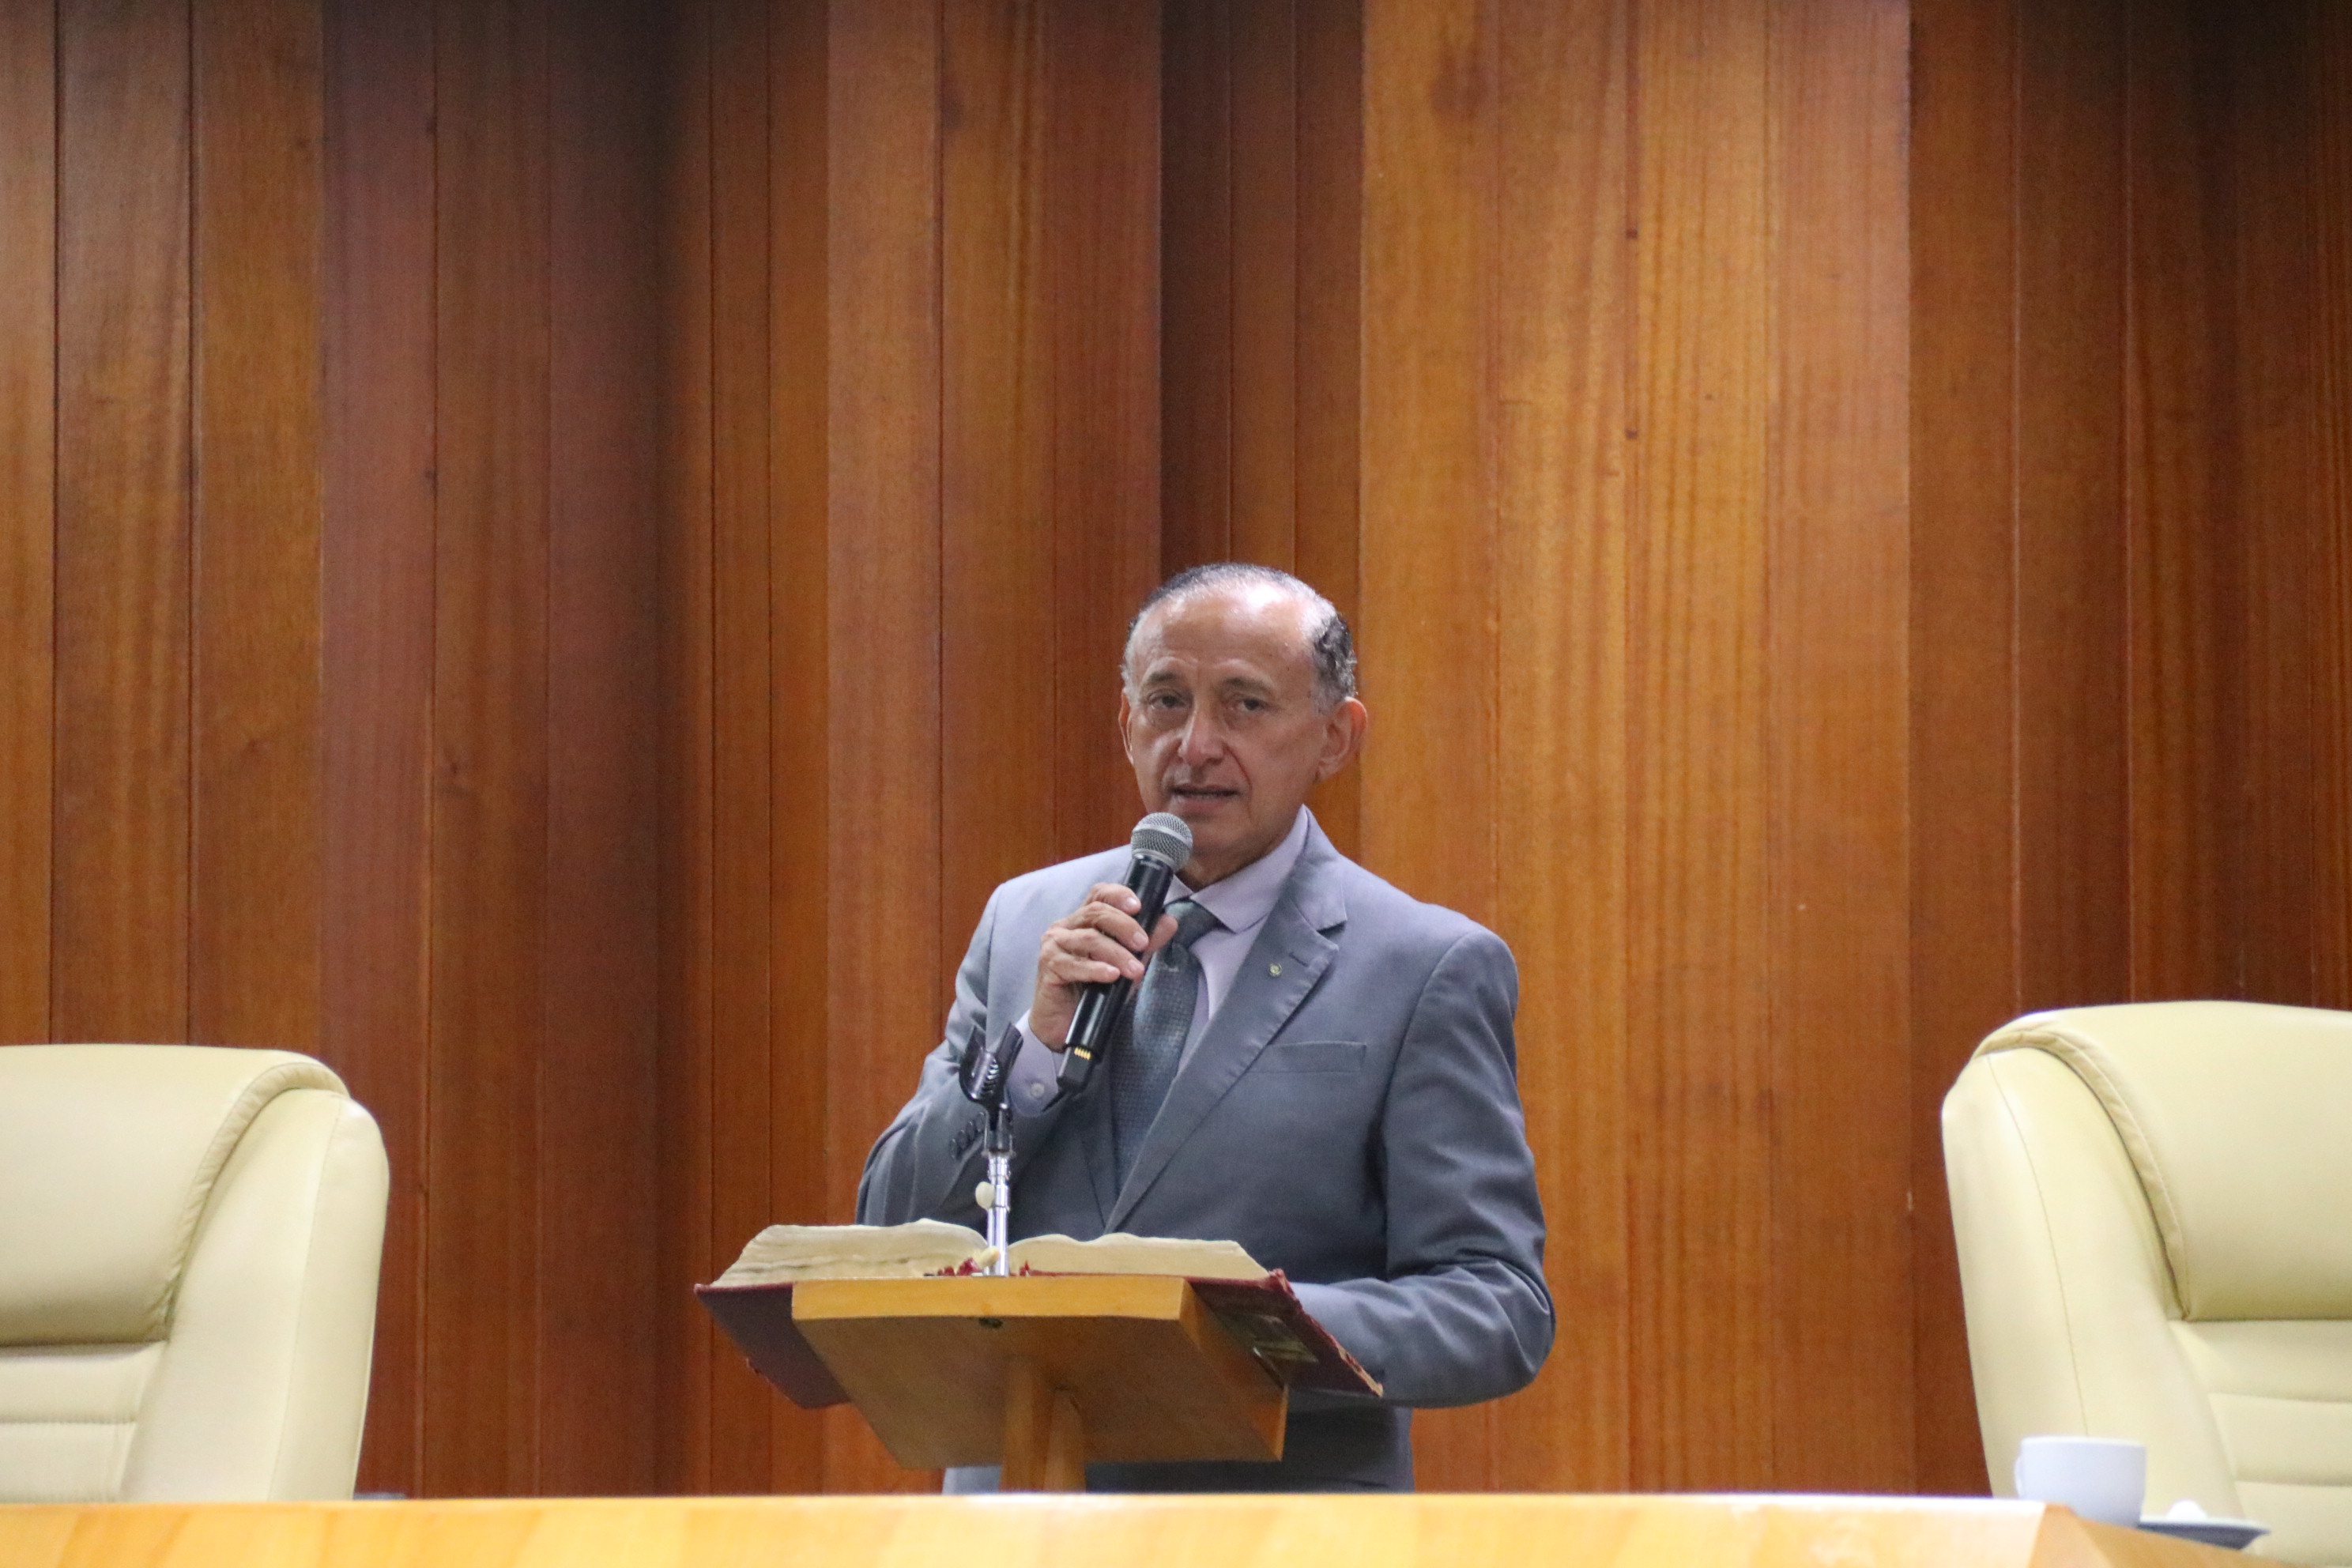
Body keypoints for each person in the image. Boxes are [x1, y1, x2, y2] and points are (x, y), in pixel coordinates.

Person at [858, 562, 1551, 1491]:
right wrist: (1032, 1048)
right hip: (1019, 1506)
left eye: (1245, 705)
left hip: (1273, 1522)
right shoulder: (1024, 921)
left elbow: (1497, 1307)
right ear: (1126, 724)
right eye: (1167, 701)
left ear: (1335, 737)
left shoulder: (1425, 965)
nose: (1196, 744)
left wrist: (1242, 1326)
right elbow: (889, 1223)